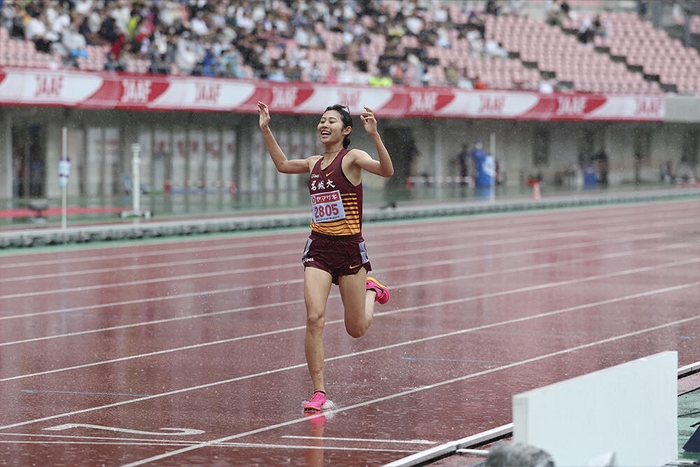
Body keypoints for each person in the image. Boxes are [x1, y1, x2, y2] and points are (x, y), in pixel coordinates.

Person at [257, 101, 394, 411]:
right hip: (319, 247)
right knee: (314, 318)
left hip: (349, 250)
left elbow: (386, 171)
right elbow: (281, 164)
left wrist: (374, 135)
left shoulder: (353, 158)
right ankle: (319, 392)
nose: (324, 124)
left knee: (355, 329)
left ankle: (372, 291)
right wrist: (266, 130)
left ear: (345, 130)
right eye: (321, 120)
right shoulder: (313, 162)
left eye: (331, 121)